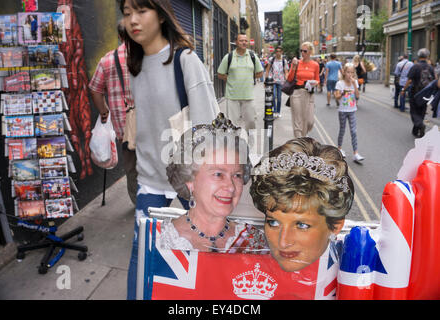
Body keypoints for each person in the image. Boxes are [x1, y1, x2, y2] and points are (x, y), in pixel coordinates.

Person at [120, 0, 219, 300]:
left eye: (141, 11)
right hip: (150, 180)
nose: (133, 20)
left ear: (161, 16)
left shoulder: (185, 60)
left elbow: (209, 128)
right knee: (141, 256)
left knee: (201, 256)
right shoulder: (133, 66)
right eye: (126, 14)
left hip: (189, 182)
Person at [163, 113, 267, 252]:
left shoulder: (254, 242)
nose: (230, 187)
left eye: (237, 175)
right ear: (190, 181)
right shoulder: (161, 240)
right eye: (218, 174)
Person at [249, 137, 354, 272]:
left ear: (336, 226)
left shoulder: (352, 278)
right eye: (273, 223)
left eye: (302, 225)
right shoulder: (247, 261)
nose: (283, 242)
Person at [89, 21, 138, 205]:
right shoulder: (148, 56)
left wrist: (103, 111)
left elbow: (95, 89)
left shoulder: (107, 60)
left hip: (123, 128)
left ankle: (138, 203)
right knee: (154, 166)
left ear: (119, 36)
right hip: (150, 124)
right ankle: (156, 202)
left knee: (132, 168)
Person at [217, 33, 263, 131]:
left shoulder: (252, 56)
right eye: (241, 40)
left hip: (248, 96)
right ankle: (233, 144)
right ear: (236, 42)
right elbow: (220, 74)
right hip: (232, 96)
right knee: (232, 124)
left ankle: (250, 144)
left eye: (246, 41)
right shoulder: (228, 57)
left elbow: (260, 72)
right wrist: (231, 79)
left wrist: (249, 77)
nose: (244, 42)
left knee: (251, 122)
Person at [287, 42, 319, 138]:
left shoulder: (315, 65)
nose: (302, 53)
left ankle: (302, 139)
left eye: (305, 51)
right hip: (297, 93)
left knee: (309, 121)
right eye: (301, 51)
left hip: (309, 94)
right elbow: (289, 79)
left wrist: (315, 83)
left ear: (310, 52)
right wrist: (293, 66)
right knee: (298, 122)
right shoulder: (297, 63)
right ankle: (299, 146)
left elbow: (318, 79)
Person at [401, 48, 435, 138]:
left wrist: (403, 90)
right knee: (422, 111)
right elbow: (434, 80)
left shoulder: (415, 66)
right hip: (426, 93)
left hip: (415, 92)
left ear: (419, 56)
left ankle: (420, 125)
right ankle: (416, 130)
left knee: (414, 111)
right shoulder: (430, 67)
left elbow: (409, 80)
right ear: (427, 56)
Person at [334, 63, 365, 163]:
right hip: (342, 111)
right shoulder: (340, 83)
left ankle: (355, 153)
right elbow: (337, 97)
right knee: (342, 130)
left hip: (352, 110)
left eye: (352, 72)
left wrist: (354, 85)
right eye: (348, 72)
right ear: (344, 72)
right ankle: (339, 149)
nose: (350, 74)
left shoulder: (355, 82)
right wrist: (343, 92)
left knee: (354, 131)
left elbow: (357, 96)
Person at [264, 46, 289, 118]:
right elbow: (267, 70)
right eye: (277, 51)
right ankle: (274, 111)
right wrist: (265, 81)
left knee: (279, 97)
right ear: (275, 52)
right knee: (273, 96)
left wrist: (287, 80)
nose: (278, 53)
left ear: (282, 52)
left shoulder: (284, 61)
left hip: (281, 82)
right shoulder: (271, 60)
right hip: (272, 81)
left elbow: (286, 72)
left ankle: (278, 112)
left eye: (279, 51)